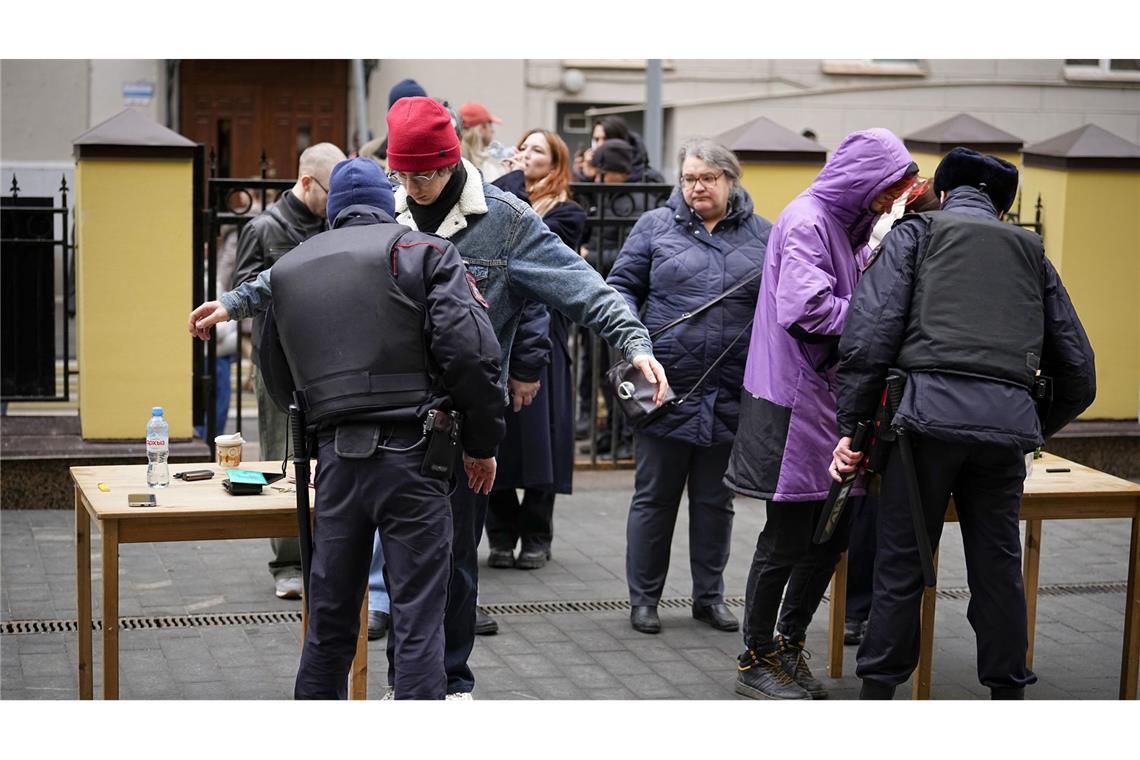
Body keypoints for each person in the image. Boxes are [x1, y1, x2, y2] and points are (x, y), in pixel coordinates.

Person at [189, 97, 669, 699]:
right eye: (403, 174)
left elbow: (585, 289)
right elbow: (308, 268)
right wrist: (236, 301)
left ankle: (450, 686)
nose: (414, 189)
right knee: (388, 581)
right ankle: (416, 689)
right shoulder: (386, 208)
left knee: (455, 569)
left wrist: (632, 340)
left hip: (462, 423)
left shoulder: (507, 220)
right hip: (391, 420)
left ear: (451, 162)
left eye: (426, 174)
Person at [222, 157, 504, 699]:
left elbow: (279, 378)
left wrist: (326, 418)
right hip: (416, 457)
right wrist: (481, 444)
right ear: (387, 200)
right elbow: (472, 357)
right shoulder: (424, 252)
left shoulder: (289, 269)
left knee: (327, 627)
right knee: (418, 624)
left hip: (334, 463)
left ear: (332, 208)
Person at [831, 147, 1096, 700]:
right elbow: (1078, 370)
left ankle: (878, 691)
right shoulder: (1032, 252)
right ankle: (1007, 692)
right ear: (1003, 209)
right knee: (998, 566)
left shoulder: (917, 235)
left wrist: (854, 427)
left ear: (944, 193)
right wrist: (1031, 424)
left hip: (921, 427)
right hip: (1003, 434)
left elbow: (869, 336)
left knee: (902, 562)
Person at [724, 128, 919, 700]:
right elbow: (807, 308)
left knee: (829, 539)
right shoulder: (808, 218)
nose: (890, 198)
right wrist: (881, 312)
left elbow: (840, 284)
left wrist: (876, 250)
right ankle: (755, 657)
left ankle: (786, 645)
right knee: (787, 537)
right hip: (792, 402)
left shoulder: (840, 222)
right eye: (887, 188)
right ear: (864, 180)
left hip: (827, 404)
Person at [607, 138, 771, 635]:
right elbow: (620, 289)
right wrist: (635, 346)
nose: (697, 187)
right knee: (654, 498)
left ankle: (709, 598)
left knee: (715, 502)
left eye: (707, 178)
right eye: (689, 178)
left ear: (730, 180)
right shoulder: (654, 226)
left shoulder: (766, 235)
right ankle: (644, 600)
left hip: (728, 390)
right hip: (664, 387)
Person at [230, 141, 345, 600]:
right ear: (305, 182)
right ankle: (288, 563)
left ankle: (323, 554)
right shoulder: (264, 228)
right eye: (329, 192)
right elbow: (241, 291)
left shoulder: (333, 224)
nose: (335, 202)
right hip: (279, 362)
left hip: (327, 361)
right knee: (282, 456)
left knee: (327, 459)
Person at [486, 129, 587, 570]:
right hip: (502, 331)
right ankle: (502, 535)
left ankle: (538, 535)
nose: (526, 156)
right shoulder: (501, 195)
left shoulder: (568, 212)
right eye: (522, 148)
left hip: (545, 335)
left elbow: (532, 243)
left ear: (557, 163)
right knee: (496, 437)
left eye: (537, 151)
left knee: (544, 437)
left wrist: (506, 185)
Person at [591, 115, 665, 182]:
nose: (599, 144)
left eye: (606, 138)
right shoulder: (594, 171)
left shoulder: (650, 179)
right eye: (596, 139)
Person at [459, 101, 510, 183]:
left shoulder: (454, 162)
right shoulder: (487, 171)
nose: (492, 130)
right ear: (482, 127)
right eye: (490, 124)